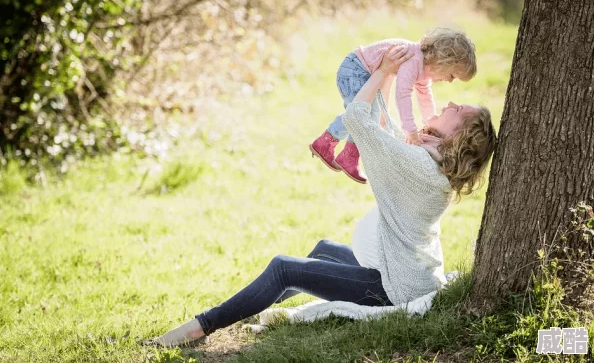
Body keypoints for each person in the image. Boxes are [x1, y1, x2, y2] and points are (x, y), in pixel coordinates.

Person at [146, 44, 497, 348]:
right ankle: (246, 307)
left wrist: (383, 73)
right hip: (403, 271)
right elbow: (386, 129)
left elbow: (359, 119)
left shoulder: (419, 165)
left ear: (460, 136)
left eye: (459, 110)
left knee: (284, 268)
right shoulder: (430, 161)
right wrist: (390, 74)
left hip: (393, 287)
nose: (450, 101)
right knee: (323, 251)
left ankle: (199, 328)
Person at [309, 28, 477, 184]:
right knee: (362, 115)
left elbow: (425, 97)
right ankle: (333, 147)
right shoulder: (414, 59)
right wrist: (410, 130)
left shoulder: (423, 69)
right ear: (444, 61)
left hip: (361, 72)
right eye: (452, 75)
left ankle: (345, 154)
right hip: (355, 70)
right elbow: (402, 94)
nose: (449, 81)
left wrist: (430, 122)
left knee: (364, 116)